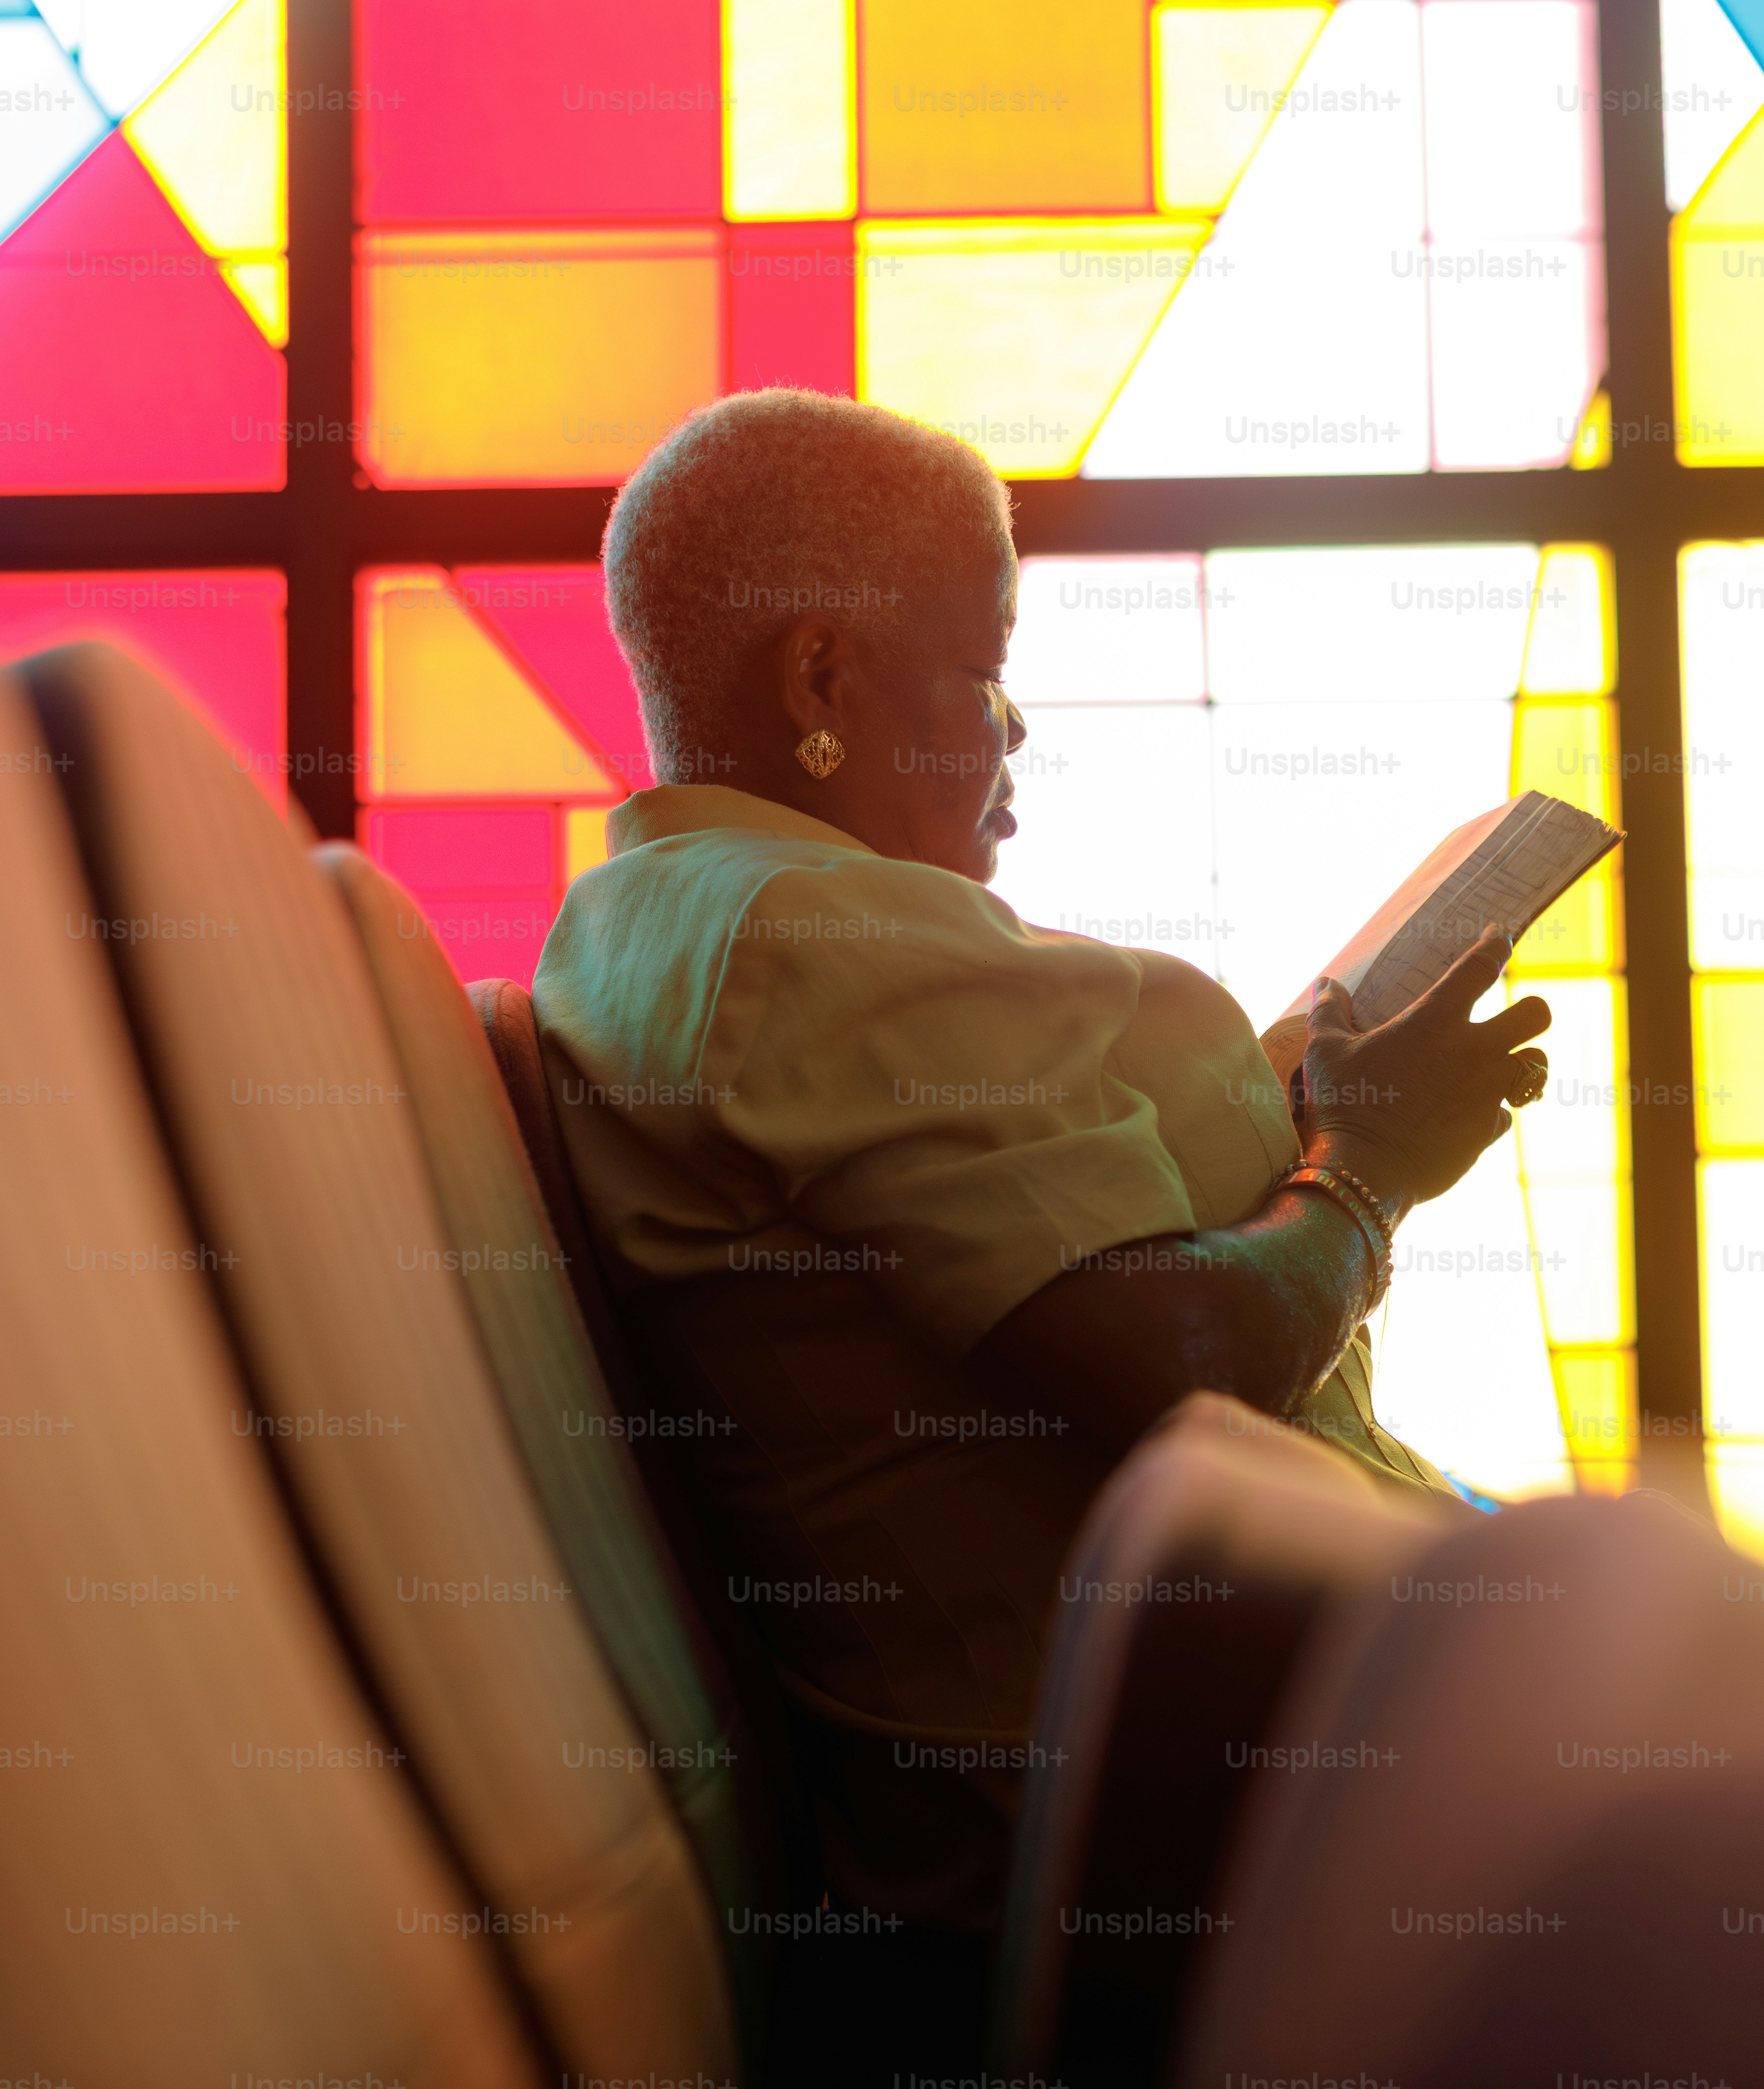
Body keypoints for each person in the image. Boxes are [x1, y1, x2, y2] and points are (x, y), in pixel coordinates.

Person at [532, 389, 1550, 1925]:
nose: (1016, 731)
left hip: (1251, 1727)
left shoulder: (671, 915)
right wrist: (1369, 1165)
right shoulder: (806, 935)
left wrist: (1282, 1114)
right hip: (1184, 1820)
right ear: (822, 675)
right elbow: (1181, 1366)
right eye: (985, 672)